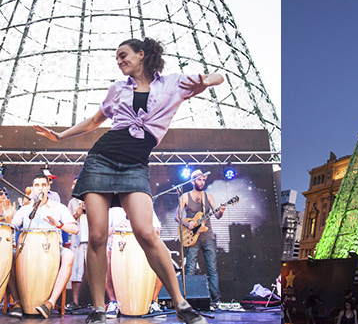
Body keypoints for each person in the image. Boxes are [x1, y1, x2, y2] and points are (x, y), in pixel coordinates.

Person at [33, 37, 223, 324]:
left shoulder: (172, 83)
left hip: (135, 165)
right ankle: (98, 309)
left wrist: (204, 80)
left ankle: (181, 304)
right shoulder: (117, 89)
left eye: (123, 55)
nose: (119, 60)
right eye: (117, 57)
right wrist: (60, 136)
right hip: (102, 159)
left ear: (141, 55)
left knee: (146, 232)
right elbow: (95, 121)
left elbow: (218, 77)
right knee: (97, 236)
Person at [8, 174, 79, 318]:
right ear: (32, 188)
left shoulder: (59, 208)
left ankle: (50, 303)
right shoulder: (25, 209)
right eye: (37, 185)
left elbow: (75, 229)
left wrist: (59, 224)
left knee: (69, 255)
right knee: (7, 256)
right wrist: (8, 218)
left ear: (48, 187)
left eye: (43, 185)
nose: (40, 188)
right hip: (26, 251)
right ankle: (17, 302)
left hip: (53, 250)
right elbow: (11, 228)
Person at [176, 169, 226, 308]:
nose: (202, 182)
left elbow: (216, 216)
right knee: (190, 267)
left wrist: (221, 211)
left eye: (204, 180)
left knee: (212, 268)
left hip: (207, 235)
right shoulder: (185, 197)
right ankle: (189, 301)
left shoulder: (208, 196)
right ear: (192, 181)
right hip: (191, 237)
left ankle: (216, 301)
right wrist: (187, 223)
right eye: (199, 180)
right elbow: (177, 216)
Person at [66, 177, 89, 311]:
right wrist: (77, 213)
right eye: (73, 184)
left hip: (92, 240)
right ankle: (75, 302)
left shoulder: (92, 199)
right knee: (76, 272)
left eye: (76, 184)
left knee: (97, 272)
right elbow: (69, 221)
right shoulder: (72, 202)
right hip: (78, 240)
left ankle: (100, 303)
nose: (74, 186)